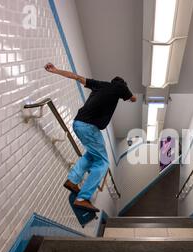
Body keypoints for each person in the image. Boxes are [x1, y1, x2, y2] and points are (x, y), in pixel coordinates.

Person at [44, 63, 137, 212]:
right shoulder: (120, 86)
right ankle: (83, 198)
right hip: (89, 127)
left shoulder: (99, 85)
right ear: (121, 84)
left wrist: (55, 70)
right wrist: (131, 96)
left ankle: (73, 180)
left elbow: (76, 77)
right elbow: (133, 98)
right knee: (103, 162)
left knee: (91, 155)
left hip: (78, 123)